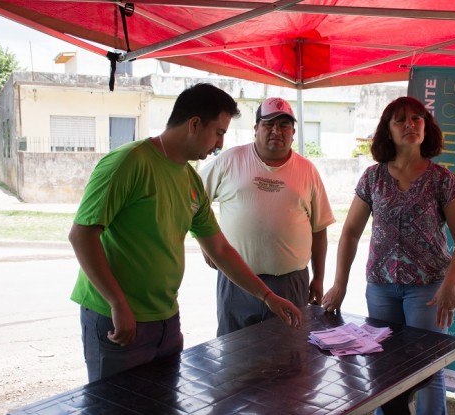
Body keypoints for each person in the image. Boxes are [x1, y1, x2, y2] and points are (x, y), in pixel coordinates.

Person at [68, 83, 302, 383]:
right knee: (116, 405)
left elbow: (219, 249)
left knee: (163, 403)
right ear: (194, 124)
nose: (219, 143)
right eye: (218, 132)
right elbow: (82, 235)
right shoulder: (128, 162)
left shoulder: (189, 178)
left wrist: (267, 296)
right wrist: (117, 302)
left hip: (164, 318)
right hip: (116, 318)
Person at [321, 96, 455, 415]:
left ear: (426, 128)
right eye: (401, 119)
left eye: (417, 118)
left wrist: (451, 284)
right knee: (384, 368)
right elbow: (349, 232)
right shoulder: (373, 178)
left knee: (428, 369)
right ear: (387, 131)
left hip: (428, 290)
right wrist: (340, 284)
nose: (410, 124)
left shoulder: (441, 180)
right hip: (380, 289)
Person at [198, 97, 336, 336]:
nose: (276, 131)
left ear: (293, 132)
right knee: (235, 356)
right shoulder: (229, 160)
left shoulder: (307, 170)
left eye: (284, 125)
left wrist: (319, 278)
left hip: (291, 283)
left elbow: (319, 229)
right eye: (268, 123)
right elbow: (194, 200)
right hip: (237, 280)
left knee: (288, 356)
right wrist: (206, 245)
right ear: (255, 129)